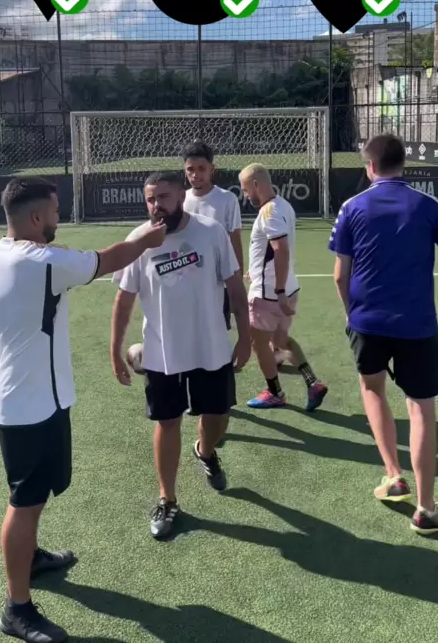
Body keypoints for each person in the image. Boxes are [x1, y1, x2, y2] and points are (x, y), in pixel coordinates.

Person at [0, 176, 165, 643]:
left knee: (31, 497)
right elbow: (110, 258)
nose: (59, 218)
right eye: (55, 212)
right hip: (32, 404)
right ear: (36, 217)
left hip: (20, 396)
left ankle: (31, 558)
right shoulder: (44, 263)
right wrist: (147, 237)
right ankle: (16, 608)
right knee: (24, 502)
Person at [110, 171, 251, 539]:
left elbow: (235, 288)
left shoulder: (210, 231)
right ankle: (167, 499)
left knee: (217, 418)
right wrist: (114, 350)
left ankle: (205, 451)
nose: (156, 205)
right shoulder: (138, 240)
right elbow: (123, 301)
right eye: (150, 199)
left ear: (180, 197)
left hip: (211, 347)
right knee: (167, 422)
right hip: (162, 353)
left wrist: (246, 337)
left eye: (164, 197)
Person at [329, 133, 438, 534]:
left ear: (370, 166)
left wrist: (351, 315)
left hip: (368, 322)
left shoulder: (352, 207)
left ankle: (393, 475)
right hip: (418, 324)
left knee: (372, 389)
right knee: (422, 407)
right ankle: (427, 509)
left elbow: (340, 275)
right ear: (402, 165)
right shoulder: (428, 205)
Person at [239, 163, 328, 411]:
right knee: (281, 339)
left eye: (245, 190)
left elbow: (280, 249)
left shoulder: (268, 211)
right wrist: (257, 271)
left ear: (255, 184)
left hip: (269, 294)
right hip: (288, 287)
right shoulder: (284, 205)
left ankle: (275, 392)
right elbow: (272, 251)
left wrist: (277, 291)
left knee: (259, 343)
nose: (245, 195)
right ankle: (313, 383)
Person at [182, 139, 244, 417]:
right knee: (187, 336)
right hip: (185, 285)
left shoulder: (226, 200)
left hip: (217, 286)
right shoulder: (181, 200)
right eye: (190, 169)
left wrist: (235, 282)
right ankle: (193, 395)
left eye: (201, 168)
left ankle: (219, 396)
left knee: (215, 337)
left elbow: (234, 241)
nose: (196, 174)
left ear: (212, 169)